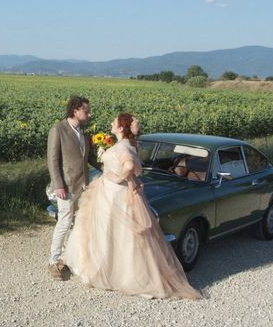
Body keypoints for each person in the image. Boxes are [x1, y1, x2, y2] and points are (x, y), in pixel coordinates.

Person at [63, 113, 201, 299]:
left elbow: (128, 166)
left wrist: (118, 177)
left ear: (121, 127)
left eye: (115, 122)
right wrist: (126, 177)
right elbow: (130, 169)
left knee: (108, 232)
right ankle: (116, 271)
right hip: (114, 192)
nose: (111, 123)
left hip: (113, 193)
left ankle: (110, 272)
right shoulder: (127, 144)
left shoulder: (123, 146)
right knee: (119, 234)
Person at [46, 96, 102, 280]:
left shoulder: (84, 133)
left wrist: (111, 164)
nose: (89, 113)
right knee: (64, 222)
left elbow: (90, 159)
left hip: (84, 186)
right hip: (66, 186)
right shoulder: (58, 130)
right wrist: (58, 185)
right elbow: (53, 161)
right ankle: (54, 261)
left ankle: (71, 257)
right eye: (86, 110)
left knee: (79, 224)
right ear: (75, 111)